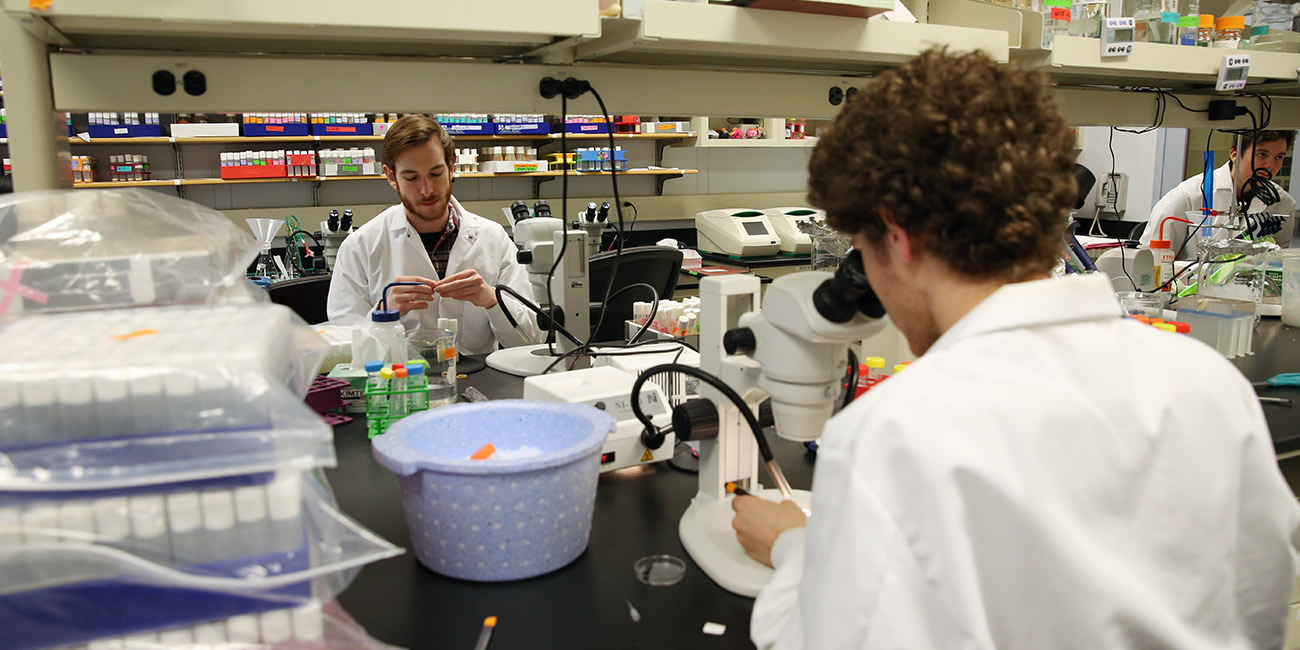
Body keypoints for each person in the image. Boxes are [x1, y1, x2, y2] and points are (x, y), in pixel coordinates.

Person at [730, 49, 1300, 649]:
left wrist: (798, 549)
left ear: (897, 234)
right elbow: (1260, 612)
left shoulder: (896, 436)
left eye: (862, 251)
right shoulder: (1208, 386)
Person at [327, 115, 541, 354]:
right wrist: (382, 313)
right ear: (391, 177)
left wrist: (492, 300)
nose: (427, 190)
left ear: (451, 167)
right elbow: (341, 347)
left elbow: (531, 342)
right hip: (398, 382)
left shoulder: (494, 238)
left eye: (436, 174)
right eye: (411, 178)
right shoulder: (360, 246)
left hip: (481, 383)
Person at [1139, 130, 1296, 260]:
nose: (1271, 165)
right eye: (1262, 154)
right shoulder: (1188, 195)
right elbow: (1149, 259)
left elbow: (1277, 262)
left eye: (1279, 157)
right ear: (1234, 155)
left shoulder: (1283, 203)